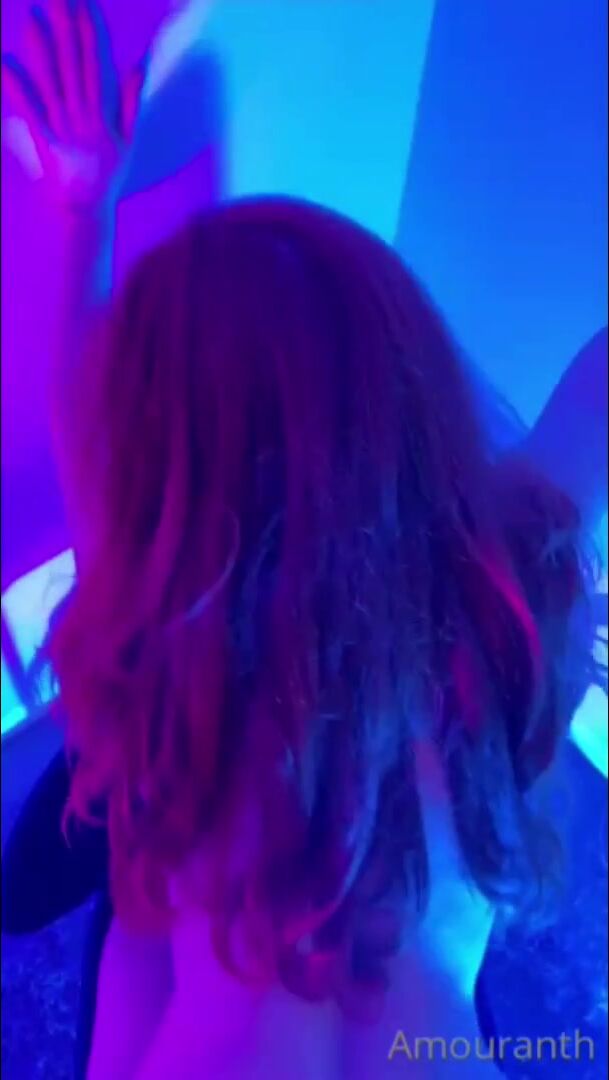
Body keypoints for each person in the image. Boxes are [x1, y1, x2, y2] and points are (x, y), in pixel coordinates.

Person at [1, 4, 603, 1077]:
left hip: (203, 1012)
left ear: (168, 488)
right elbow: (594, 399)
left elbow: (88, 447)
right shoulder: (497, 593)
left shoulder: (167, 632)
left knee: (108, 885)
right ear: (416, 409)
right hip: (421, 1036)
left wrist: (82, 208)